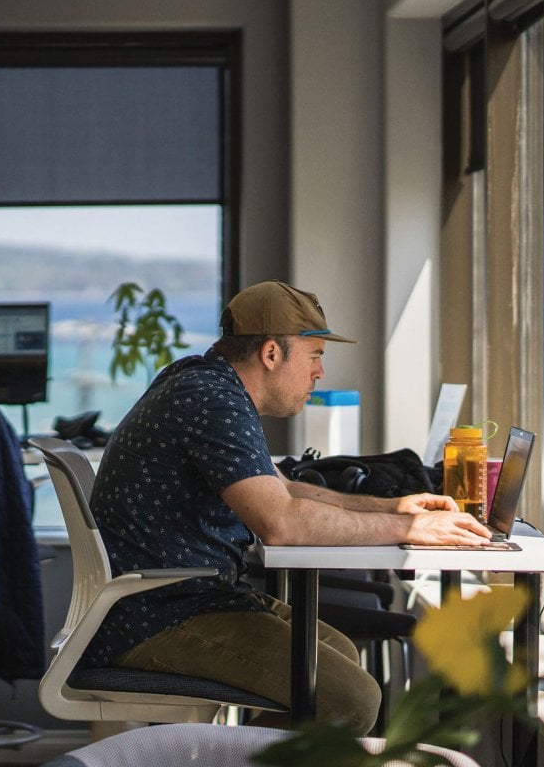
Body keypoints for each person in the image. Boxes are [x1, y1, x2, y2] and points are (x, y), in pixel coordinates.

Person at [85, 280, 491, 732]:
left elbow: (286, 491)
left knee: (335, 656)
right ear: (272, 353)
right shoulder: (211, 399)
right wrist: (409, 531)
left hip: (175, 600)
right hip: (155, 616)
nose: (319, 373)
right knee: (348, 698)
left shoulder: (204, 382)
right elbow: (281, 523)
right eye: (315, 356)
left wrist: (397, 508)